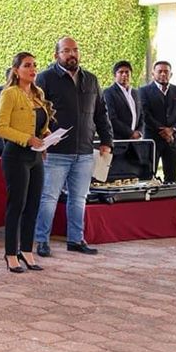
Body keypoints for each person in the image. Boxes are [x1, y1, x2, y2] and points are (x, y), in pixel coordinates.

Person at [34, 37, 113, 257]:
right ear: (56, 55)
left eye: (75, 50)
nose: (72, 54)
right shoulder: (45, 79)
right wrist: (42, 140)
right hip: (56, 152)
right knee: (49, 198)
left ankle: (76, 240)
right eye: (66, 51)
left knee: (79, 199)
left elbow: (101, 113)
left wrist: (107, 140)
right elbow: (38, 113)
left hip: (85, 151)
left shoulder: (91, 79)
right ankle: (42, 240)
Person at [0, 52, 51, 273]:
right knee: (16, 205)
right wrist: (27, 139)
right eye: (27, 65)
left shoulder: (38, 94)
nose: (32, 69)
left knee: (33, 205)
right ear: (16, 70)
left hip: (36, 156)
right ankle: (10, 253)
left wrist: (47, 134)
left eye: (34, 65)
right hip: (16, 155)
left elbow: (40, 124)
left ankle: (27, 250)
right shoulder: (9, 94)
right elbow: (0, 127)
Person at [139, 60, 176, 182]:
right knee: (148, 177)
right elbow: (145, 114)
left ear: (171, 74)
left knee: (172, 179)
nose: (163, 74)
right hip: (152, 140)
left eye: (166, 71)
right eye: (159, 71)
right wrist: (163, 131)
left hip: (173, 141)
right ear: (153, 74)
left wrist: (172, 130)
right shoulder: (143, 91)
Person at [103, 60, 144, 140]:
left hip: (135, 143)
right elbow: (111, 118)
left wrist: (139, 132)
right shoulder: (109, 93)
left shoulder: (136, 93)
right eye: (121, 72)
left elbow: (142, 115)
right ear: (115, 75)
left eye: (127, 72)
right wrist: (131, 133)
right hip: (119, 141)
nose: (124, 75)